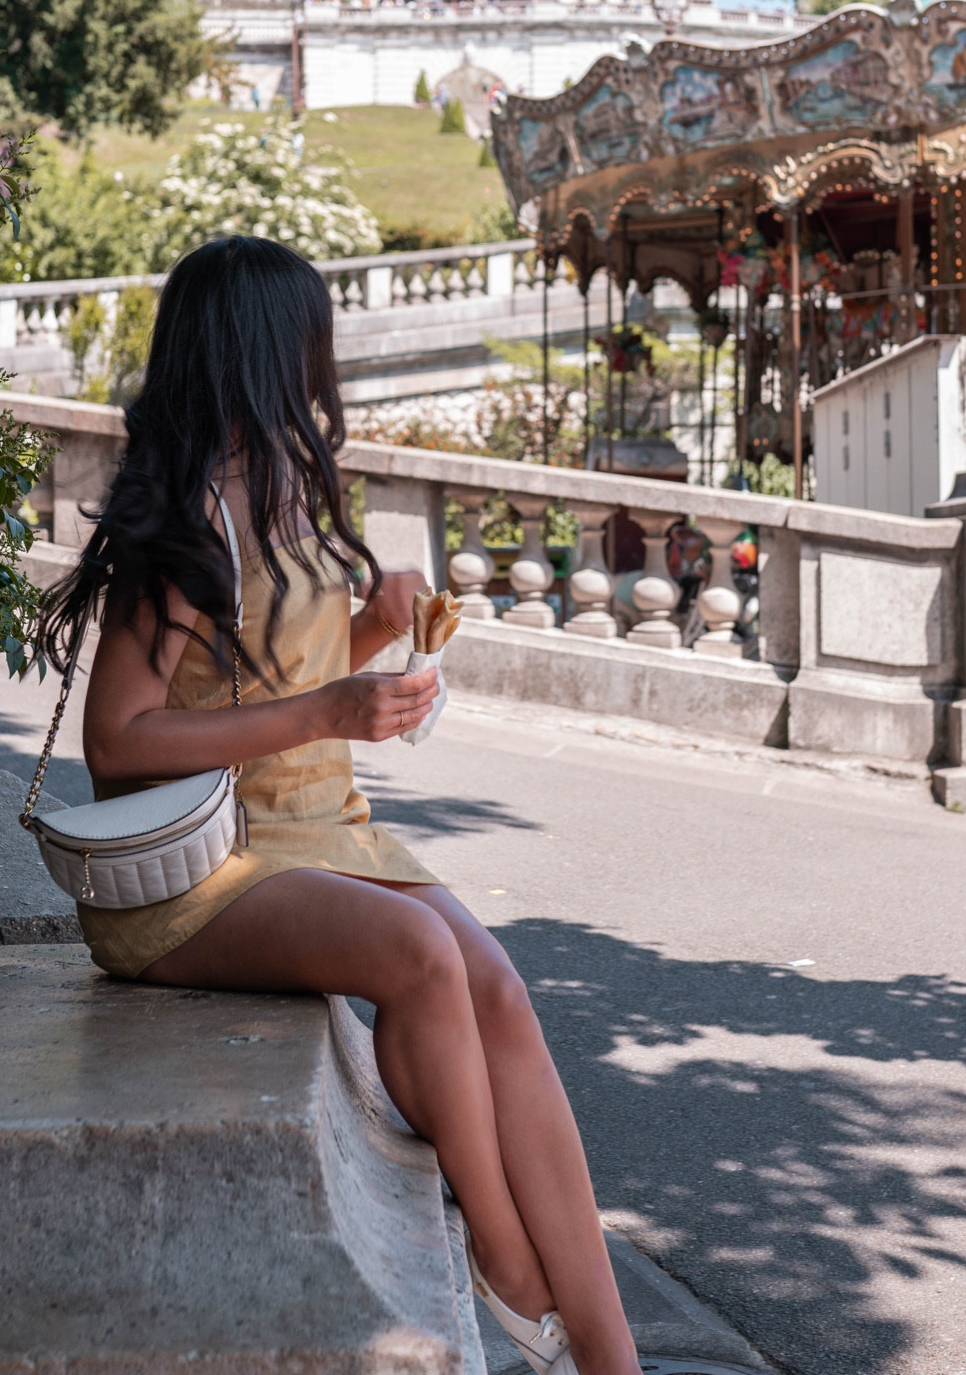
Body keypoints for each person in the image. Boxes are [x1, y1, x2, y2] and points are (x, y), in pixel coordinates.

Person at [36, 236, 640, 1375]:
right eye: (309, 339)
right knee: (420, 951)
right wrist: (329, 707)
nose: (324, 365)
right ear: (263, 350)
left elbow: (275, 674)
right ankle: (507, 1263)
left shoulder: (286, 488)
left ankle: (614, 1354)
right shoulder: (184, 523)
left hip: (320, 827)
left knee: (499, 985)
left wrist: (374, 632)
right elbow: (116, 741)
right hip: (198, 870)